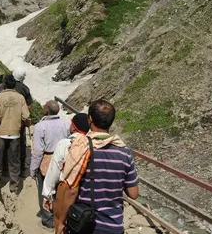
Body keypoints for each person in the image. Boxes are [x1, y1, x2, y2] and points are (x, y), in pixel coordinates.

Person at [57, 99, 139, 234]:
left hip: (85, 224)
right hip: (114, 226)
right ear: (111, 121)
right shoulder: (124, 152)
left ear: (90, 119)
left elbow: (71, 190)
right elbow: (134, 194)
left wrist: (61, 222)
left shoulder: (81, 148)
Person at [30, 101, 70, 229]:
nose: (42, 108)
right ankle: (61, 216)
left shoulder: (40, 126)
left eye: (44, 106)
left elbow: (37, 151)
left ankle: (47, 219)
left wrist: (33, 168)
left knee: (45, 190)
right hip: (63, 159)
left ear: (47, 110)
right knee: (60, 189)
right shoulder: (65, 124)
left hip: (47, 159)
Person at [0, 74, 31, 193]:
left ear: (5, 85)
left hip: (1, 132)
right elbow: (26, 115)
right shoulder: (20, 97)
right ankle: (14, 187)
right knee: (14, 160)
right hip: (15, 133)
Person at [0, 67, 34, 177]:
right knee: (20, 145)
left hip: (4, 120)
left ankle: (4, 169)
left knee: (3, 144)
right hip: (19, 121)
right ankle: (21, 169)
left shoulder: (5, 86)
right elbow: (29, 106)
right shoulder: (25, 89)